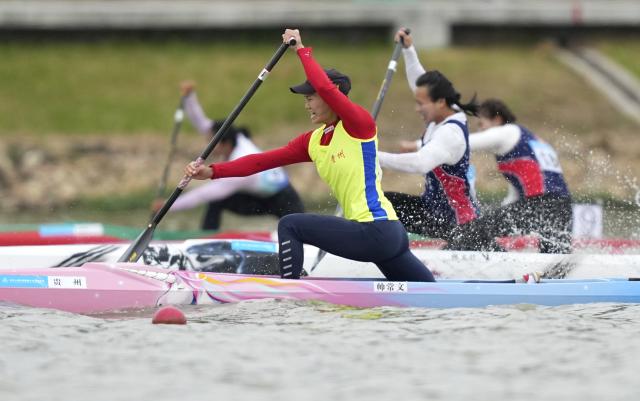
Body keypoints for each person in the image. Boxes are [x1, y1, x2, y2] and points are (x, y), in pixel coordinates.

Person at [184, 28, 435, 282]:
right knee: (431, 295)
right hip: (383, 236)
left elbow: (326, 89)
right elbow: (261, 162)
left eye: (311, 97)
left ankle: (289, 292)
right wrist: (214, 171)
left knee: (290, 225)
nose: (307, 103)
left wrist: (301, 49)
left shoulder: (359, 125)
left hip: (376, 229)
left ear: (331, 95)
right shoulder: (313, 141)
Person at [377, 28, 484, 250]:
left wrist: (374, 156)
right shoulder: (444, 110)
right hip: (431, 210)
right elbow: (421, 83)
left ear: (440, 102)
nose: (417, 109)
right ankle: (372, 249)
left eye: (420, 104)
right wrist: (409, 50)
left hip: (459, 224)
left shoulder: (450, 133)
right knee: (379, 204)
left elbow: (420, 162)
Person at [157, 81, 305, 230]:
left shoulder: (241, 159)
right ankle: (208, 237)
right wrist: (189, 97)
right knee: (216, 201)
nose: (208, 144)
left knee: (299, 231)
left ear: (226, 144)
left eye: (212, 142)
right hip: (257, 196)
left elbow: (203, 194)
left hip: (284, 198)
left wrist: (167, 206)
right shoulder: (233, 136)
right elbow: (200, 122)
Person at [447, 99, 573, 253]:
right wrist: (495, 215)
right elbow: (517, 193)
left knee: (471, 232)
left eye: (481, 124)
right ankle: (505, 261)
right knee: (556, 261)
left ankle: (498, 261)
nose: (480, 130)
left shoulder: (508, 132)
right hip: (562, 207)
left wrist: (428, 144)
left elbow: (465, 142)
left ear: (497, 120)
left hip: (540, 206)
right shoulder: (527, 138)